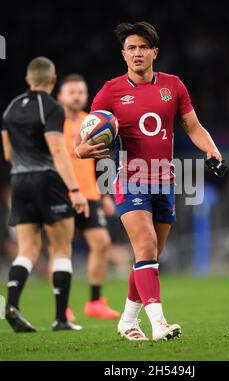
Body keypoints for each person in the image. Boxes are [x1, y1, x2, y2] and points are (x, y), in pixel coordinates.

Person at [75, 22, 222, 341]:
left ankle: (127, 321)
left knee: (149, 256)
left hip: (165, 181)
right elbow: (85, 133)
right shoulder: (111, 90)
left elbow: (192, 126)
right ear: (123, 54)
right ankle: (160, 324)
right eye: (131, 48)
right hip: (129, 178)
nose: (138, 53)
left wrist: (211, 148)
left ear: (154, 52)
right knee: (144, 246)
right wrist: (81, 148)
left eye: (143, 47)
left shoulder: (174, 86)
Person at [0, 57, 107, 332]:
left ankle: (11, 304)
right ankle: (61, 318)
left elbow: (9, 154)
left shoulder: (10, 109)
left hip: (19, 181)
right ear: (52, 80)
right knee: (61, 248)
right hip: (47, 181)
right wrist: (75, 190)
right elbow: (59, 152)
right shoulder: (51, 108)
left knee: (27, 250)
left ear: (27, 80)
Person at [49, 74, 119, 320]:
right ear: (60, 96)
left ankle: (95, 301)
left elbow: (100, 161)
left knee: (102, 243)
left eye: (81, 92)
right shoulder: (52, 124)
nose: (77, 96)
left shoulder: (91, 124)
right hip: (60, 193)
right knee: (61, 249)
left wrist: (105, 194)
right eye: (72, 92)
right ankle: (63, 307)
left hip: (89, 193)